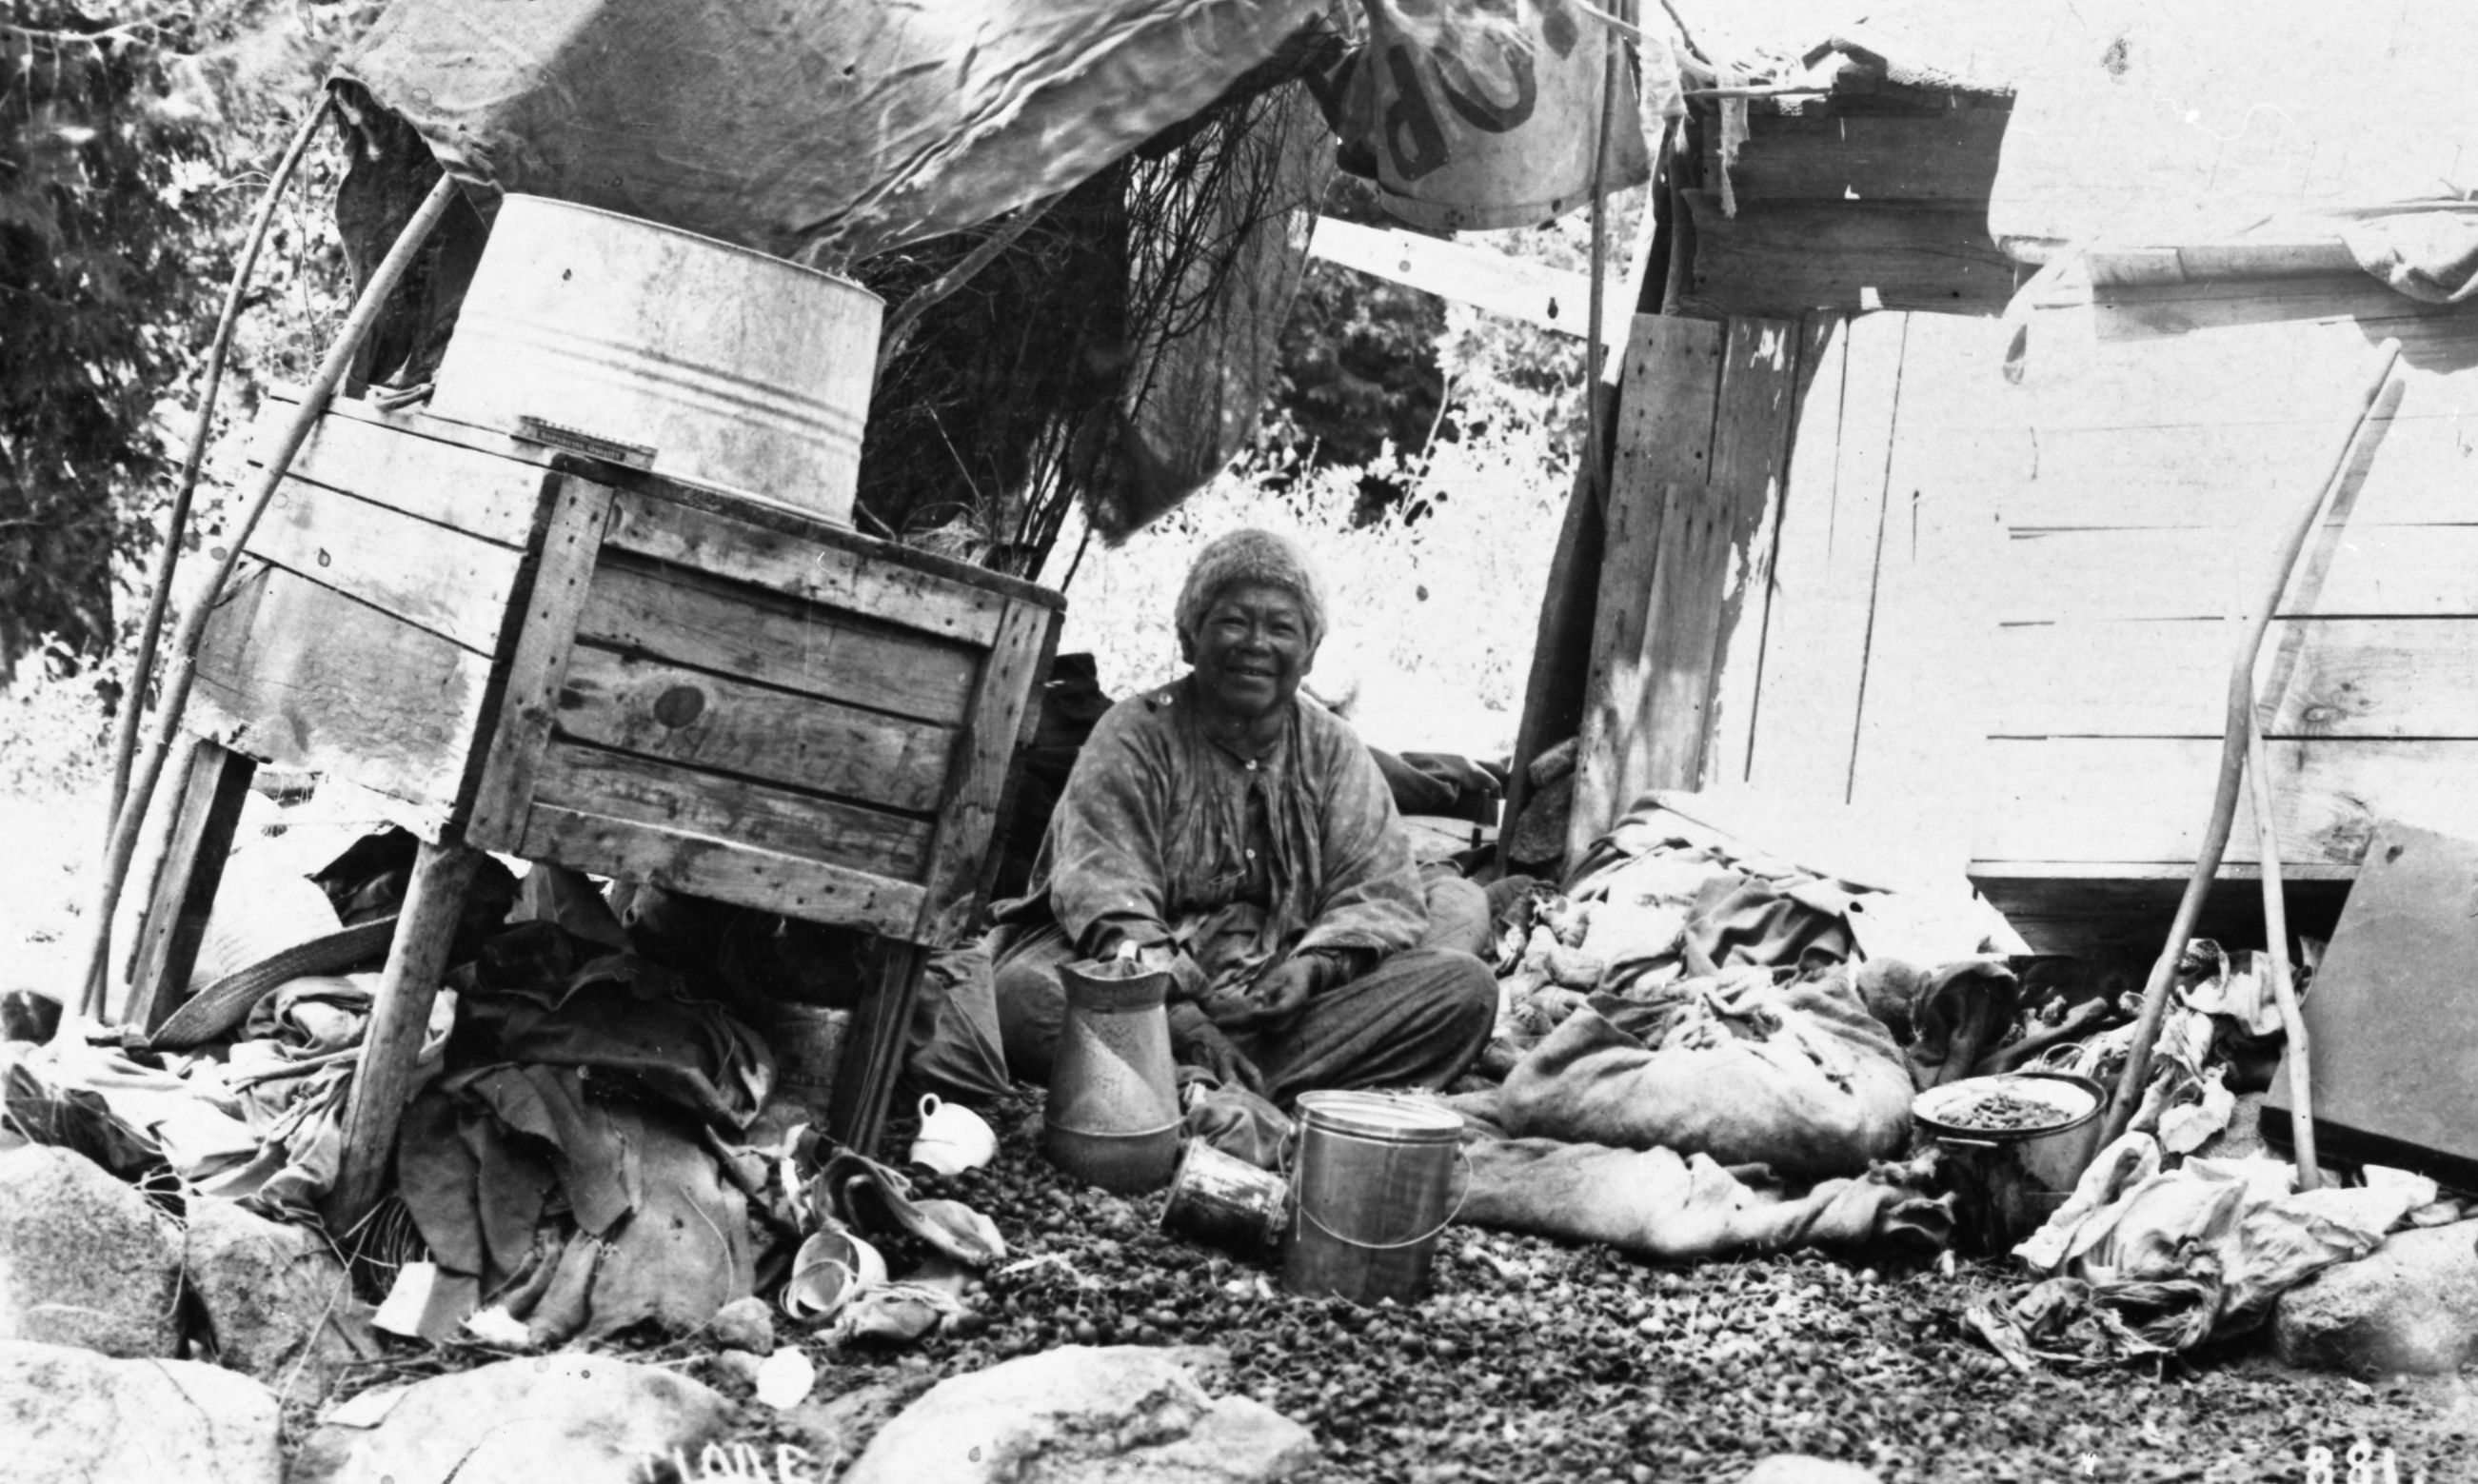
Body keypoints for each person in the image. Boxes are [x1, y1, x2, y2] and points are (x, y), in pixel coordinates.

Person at [986, 528, 1497, 1105]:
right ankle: (1211, 1080)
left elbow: (1377, 889)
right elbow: (1107, 895)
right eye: (1233, 622)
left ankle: (1168, 1091)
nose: (1256, 644)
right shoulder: (1133, 735)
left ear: (1309, 654)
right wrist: (1183, 1018)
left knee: (1463, 989)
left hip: (1277, 1003)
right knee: (1021, 998)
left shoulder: (1334, 749)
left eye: (1281, 628)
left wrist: (1313, 970)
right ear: (1189, 638)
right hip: (1141, 991)